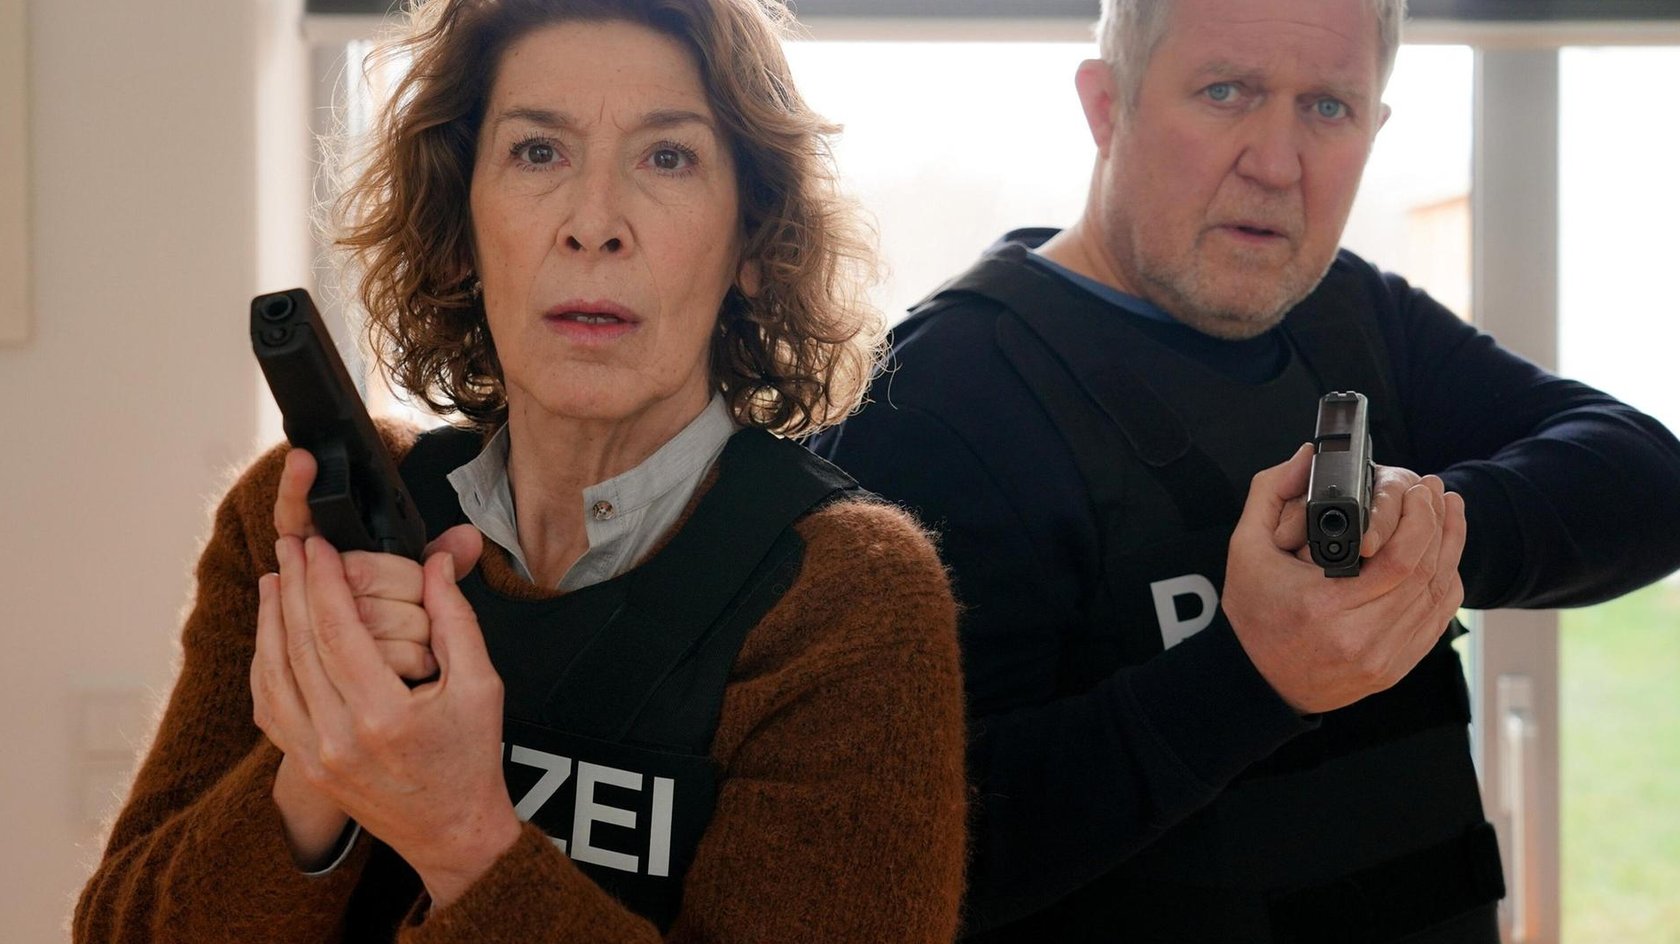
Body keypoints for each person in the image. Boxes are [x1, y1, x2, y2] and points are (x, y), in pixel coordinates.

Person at [74, 1, 967, 941]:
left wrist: (461, 837)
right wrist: (318, 767)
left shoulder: (846, 599)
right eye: (538, 152)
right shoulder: (297, 525)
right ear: (460, 226)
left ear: (752, 238)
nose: (594, 223)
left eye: (668, 157)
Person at [814, 0, 1680, 941]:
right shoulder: (935, 400)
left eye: (1329, 108)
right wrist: (1250, 675)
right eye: (1226, 92)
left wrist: (1415, 541)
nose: (1277, 164)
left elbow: (1646, 478)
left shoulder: (1350, 315)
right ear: (1107, 105)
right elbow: (887, 859)